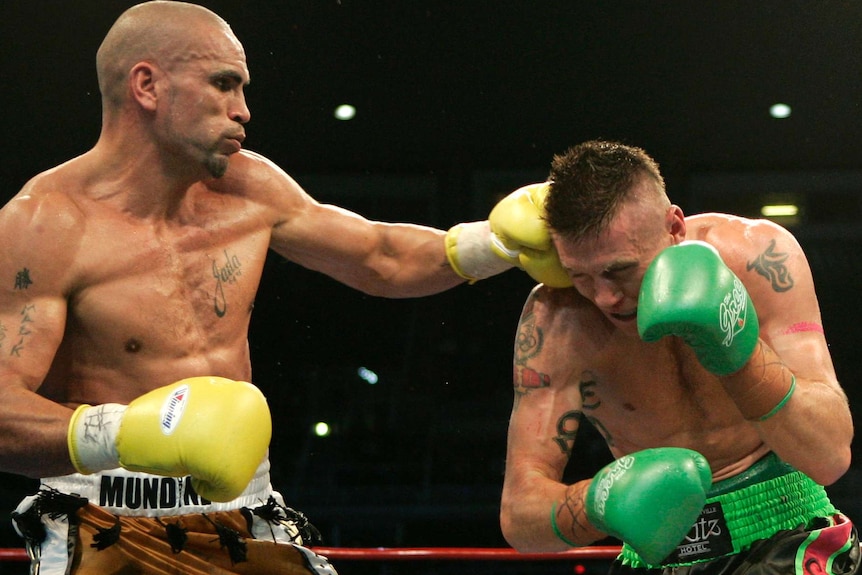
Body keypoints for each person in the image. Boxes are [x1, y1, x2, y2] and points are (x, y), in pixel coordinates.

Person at [0, 2, 566, 574]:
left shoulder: (250, 188)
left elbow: (380, 256)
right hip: (103, 518)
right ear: (146, 85)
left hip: (243, 511)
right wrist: (127, 433)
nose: (242, 110)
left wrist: (498, 243)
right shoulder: (45, 225)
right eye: (223, 84)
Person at [499, 140, 860, 575]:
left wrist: (736, 349)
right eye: (580, 275)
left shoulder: (758, 257)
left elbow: (830, 455)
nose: (605, 296)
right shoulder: (555, 323)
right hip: (655, 556)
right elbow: (519, 517)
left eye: (619, 270)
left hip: (788, 530)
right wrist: (596, 501)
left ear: (674, 227)